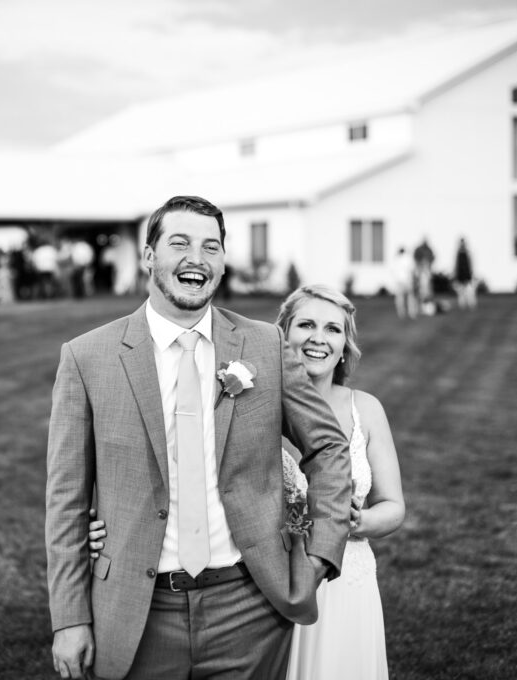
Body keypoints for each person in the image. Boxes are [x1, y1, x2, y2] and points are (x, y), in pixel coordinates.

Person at [45, 195, 353, 680]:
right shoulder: (88, 358)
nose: (197, 259)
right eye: (180, 243)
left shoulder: (265, 345)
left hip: (250, 609)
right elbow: (65, 500)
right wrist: (69, 617)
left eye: (211, 247)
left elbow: (328, 447)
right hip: (137, 611)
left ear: (223, 261)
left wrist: (320, 553)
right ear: (149, 256)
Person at [88, 284, 406, 679]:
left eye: (333, 329)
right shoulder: (249, 405)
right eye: (306, 324)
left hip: (344, 581)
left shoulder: (367, 409)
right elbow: (172, 468)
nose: (318, 339)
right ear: (280, 335)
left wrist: (353, 522)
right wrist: (109, 523)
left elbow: (393, 507)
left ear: (346, 344)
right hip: (263, 582)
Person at [389, 247, 416, 320]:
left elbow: (392, 270)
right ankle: (411, 312)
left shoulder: (396, 259)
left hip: (399, 281)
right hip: (407, 280)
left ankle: (401, 313)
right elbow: (412, 269)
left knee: (400, 297)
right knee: (410, 297)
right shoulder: (408, 258)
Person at [453, 238, 476, 310]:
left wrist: (471, 273)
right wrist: (455, 274)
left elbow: (470, 264)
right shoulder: (458, 253)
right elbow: (456, 265)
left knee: (469, 291)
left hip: (467, 275)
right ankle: (462, 305)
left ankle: (471, 304)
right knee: (461, 292)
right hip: (460, 275)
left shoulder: (468, 253)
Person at [413, 238, 435, 313]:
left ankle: (426, 307)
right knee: (420, 292)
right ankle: (420, 307)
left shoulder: (429, 250)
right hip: (421, 282)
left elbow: (432, 257)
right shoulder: (419, 251)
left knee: (427, 292)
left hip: (425, 282)